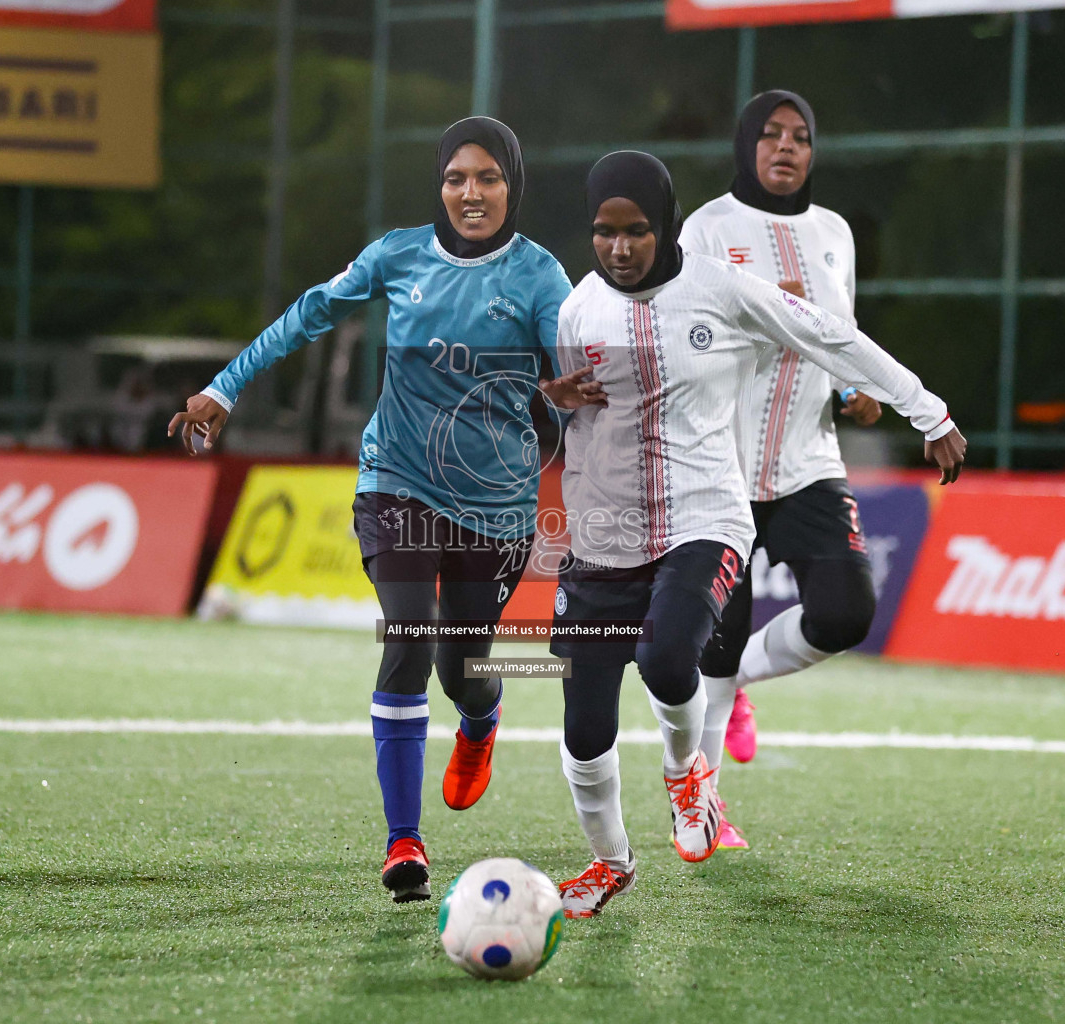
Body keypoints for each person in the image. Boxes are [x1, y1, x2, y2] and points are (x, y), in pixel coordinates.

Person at [168, 118, 601, 904]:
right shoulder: (398, 254)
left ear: (514, 185)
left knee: (461, 669)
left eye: (488, 179)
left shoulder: (542, 278)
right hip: (395, 481)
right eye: (455, 179)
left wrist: (564, 411)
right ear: (439, 186)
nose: (470, 193)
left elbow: (573, 389)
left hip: (496, 507)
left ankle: (480, 718)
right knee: (406, 636)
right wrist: (223, 386)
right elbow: (309, 313)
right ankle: (404, 842)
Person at [550, 151, 964, 919]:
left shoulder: (723, 288)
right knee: (581, 733)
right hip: (606, 534)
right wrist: (551, 403)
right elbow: (575, 421)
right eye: (604, 232)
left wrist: (925, 408)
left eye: (635, 231)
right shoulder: (578, 311)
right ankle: (609, 864)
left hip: (706, 515)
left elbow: (833, 337)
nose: (618, 248)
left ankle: (686, 774)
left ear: (666, 226)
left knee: (667, 656)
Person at [682, 90, 897, 848]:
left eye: (800, 137)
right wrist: (769, 311)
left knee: (846, 613)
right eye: (770, 135)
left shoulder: (835, 233)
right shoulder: (706, 228)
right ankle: (704, 812)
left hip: (810, 462)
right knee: (713, 638)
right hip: (723, 471)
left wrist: (856, 387)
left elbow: (844, 334)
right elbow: (689, 333)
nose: (785, 148)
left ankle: (737, 680)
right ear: (746, 146)